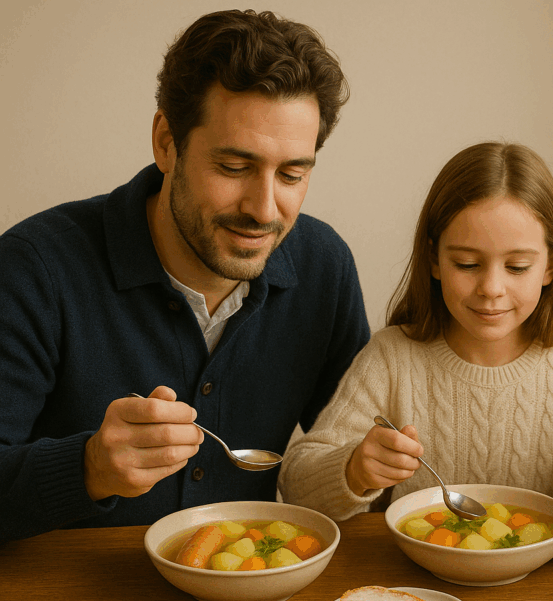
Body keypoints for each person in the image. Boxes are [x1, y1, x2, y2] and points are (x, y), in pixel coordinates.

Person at [0, 10, 370, 543]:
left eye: (292, 173)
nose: (264, 209)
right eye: (234, 167)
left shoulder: (323, 265)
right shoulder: (34, 268)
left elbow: (344, 452)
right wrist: (87, 468)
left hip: (258, 597)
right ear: (166, 142)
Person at [278, 142, 553, 557]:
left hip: (548, 590)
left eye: (517, 267)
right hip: (416, 586)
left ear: (551, 266)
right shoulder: (392, 356)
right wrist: (355, 469)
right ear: (434, 258)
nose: (491, 288)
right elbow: (297, 480)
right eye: (467, 264)